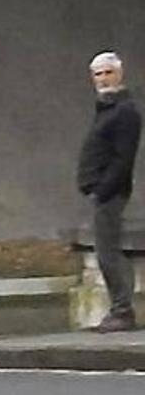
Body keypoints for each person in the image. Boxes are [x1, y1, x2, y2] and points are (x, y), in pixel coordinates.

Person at [78, 51, 140, 333]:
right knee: (108, 251)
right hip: (102, 192)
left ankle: (122, 311)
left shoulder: (125, 111)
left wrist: (103, 189)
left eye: (108, 73)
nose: (103, 79)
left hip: (110, 193)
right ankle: (120, 310)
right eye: (98, 74)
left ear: (119, 74)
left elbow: (122, 157)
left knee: (107, 253)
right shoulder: (106, 108)